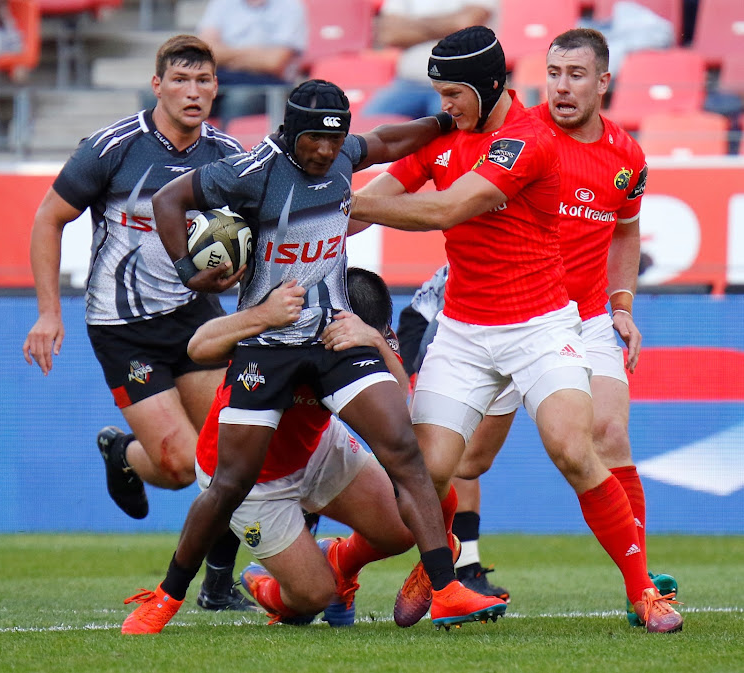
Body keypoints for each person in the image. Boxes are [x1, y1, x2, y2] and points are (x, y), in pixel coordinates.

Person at [120, 78, 507, 635]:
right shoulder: (253, 172)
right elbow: (168, 199)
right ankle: (166, 597)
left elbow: (392, 141)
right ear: (290, 132)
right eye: (314, 142)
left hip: (330, 338)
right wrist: (189, 274)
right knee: (235, 484)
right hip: (269, 346)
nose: (326, 152)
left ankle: (446, 588)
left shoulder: (344, 153)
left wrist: (447, 122)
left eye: (335, 141)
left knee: (406, 447)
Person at [351, 26, 683, 634]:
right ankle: (429, 556)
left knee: (583, 443)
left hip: (552, 318)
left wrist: (622, 303)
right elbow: (382, 191)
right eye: (553, 72)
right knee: (436, 470)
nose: (561, 85)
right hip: (467, 326)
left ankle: (643, 588)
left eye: (576, 74)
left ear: (603, 82)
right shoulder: (452, 134)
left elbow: (443, 209)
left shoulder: (542, 142)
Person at [21, 34, 257, 613]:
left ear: (216, 88)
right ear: (157, 86)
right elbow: (47, 219)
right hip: (122, 326)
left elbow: (258, 233)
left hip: (196, 317)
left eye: (203, 81)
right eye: (180, 80)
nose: (192, 92)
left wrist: (236, 276)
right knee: (178, 469)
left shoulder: (227, 154)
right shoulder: (113, 147)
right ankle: (123, 453)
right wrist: (49, 312)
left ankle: (218, 585)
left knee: (230, 454)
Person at [178, 267, 422, 628]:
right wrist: (261, 315)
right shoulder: (286, 327)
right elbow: (196, 347)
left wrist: (374, 341)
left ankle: (339, 562)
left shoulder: (370, 334)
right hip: (250, 480)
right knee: (311, 599)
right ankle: (264, 584)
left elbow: (401, 405)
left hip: (318, 446)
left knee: (402, 529)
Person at [397, 264, 510, 602]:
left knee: (471, 462)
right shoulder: (473, 260)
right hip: (438, 341)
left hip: (492, 340)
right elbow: (418, 314)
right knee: (448, 455)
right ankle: (457, 565)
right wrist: (406, 373)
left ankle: (463, 563)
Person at [362, 0, 497, 120]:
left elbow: (465, 23)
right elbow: (389, 34)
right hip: (409, 84)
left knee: (449, 132)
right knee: (365, 129)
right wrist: (448, 26)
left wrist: (410, 26)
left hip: (460, 83)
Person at [197, 0, 307, 128]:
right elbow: (204, 52)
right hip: (224, 78)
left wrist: (225, 55)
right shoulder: (222, 3)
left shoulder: (290, 6)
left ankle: (227, 146)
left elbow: (273, 63)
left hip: (268, 86)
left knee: (238, 100)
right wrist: (255, 54)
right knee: (192, 91)